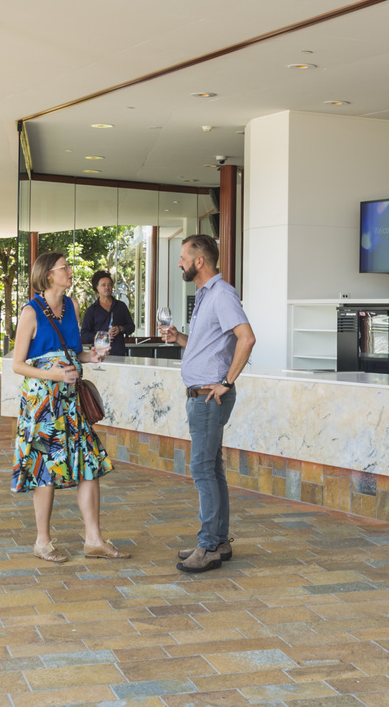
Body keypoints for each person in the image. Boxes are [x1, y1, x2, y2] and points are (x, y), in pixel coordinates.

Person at [10, 250, 124, 563]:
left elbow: (74, 351)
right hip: (43, 404)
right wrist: (55, 374)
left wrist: (91, 356)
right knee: (45, 468)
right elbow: (18, 365)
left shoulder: (72, 306)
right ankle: (42, 542)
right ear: (49, 275)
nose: (70, 271)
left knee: (90, 465)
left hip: (72, 402)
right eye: (64, 268)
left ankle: (94, 540)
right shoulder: (31, 312)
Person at [158, 234, 254, 574]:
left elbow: (247, 337)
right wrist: (180, 339)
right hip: (200, 395)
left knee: (202, 469)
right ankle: (219, 539)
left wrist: (227, 382)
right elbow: (210, 344)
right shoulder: (204, 296)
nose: (180, 262)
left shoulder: (222, 295)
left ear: (200, 261)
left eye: (184, 257)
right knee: (212, 468)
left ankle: (209, 546)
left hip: (208, 398)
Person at [81, 269, 136, 347]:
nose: (107, 287)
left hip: (119, 354)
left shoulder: (121, 306)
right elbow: (84, 334)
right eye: (103, 285)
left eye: (109, 284)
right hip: (99, 354)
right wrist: (100, 337)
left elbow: (131, 327)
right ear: (97, 288)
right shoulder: (92, 310)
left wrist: (120, 328)